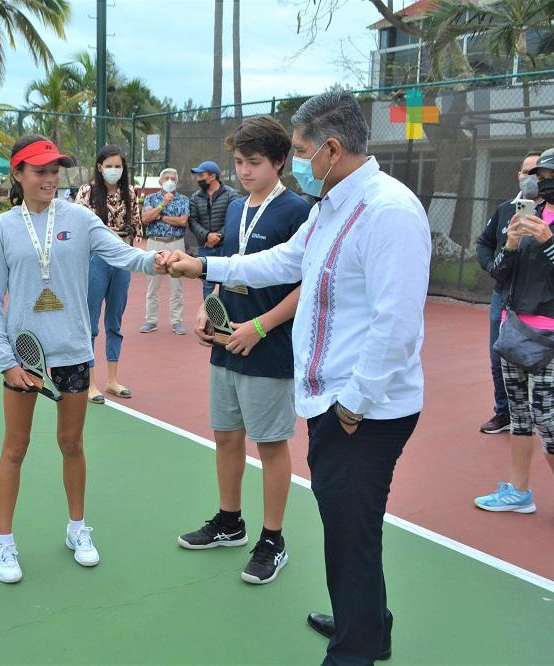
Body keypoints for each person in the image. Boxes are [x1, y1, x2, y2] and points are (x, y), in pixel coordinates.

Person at [166, 91, 431, 665]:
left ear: (333, 150)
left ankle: (354, 649)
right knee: (348, 527)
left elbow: (398, 325)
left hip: (365, 411)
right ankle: (367, 622)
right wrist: (205, 266)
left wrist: (354, 405)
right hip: (334, 401)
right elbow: (283, 262)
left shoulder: (390, 211)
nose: (302, 161)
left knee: (349, 532)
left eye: (306, 150)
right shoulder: (332, 206)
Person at [0, 134, 167, 584]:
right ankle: (3, 542)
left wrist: (158, 260)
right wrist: (6, 359)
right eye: (39, 171)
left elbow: (123, 255)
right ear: (18, 174)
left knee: (72, 444)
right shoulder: (1, 228)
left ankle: (77, 529)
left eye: (54, 170)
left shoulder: (80, 218)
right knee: (15, 447)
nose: (49, 178)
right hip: (24, 360)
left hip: (72, 353)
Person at [177, 116, 310, 587]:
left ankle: (273, 539)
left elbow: (306, 284)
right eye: (238, 162)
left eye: (254, 162)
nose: (245, 171)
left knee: (271, 444)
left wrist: (261, 325)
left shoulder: (298, 211)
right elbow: (225, 267)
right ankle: (230, 521)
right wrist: (205, 307)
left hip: (269, 345)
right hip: (225, 342)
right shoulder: (233, 208)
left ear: (279, 161)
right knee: (227, 436)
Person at [474, 147, 554, 537]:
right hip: (513, 325)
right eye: (541, 174)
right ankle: (519, 491)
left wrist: (549, 240)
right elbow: (501, 275)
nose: (546, 180)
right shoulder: (520, 214)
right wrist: (513, 245)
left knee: (546, 415)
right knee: (519, 416)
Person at [475, 152, 542, 434]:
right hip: (503, 295)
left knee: (533, 358)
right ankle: (504, 413)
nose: (531, 178)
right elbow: (484, 242)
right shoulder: (505, 209)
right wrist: (492, 265)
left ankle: (533, 413)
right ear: (519, 175)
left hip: (536, 299)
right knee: (497, 356)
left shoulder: (553, 213)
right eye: (526, 172)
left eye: (537, 173)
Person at [75, 145, 142, 403]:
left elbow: (136, 226)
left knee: (115, 320)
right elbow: (80, 226)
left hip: (123, 260)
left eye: (118, 166)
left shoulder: (130, 193)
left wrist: (130, 256)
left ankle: (112, 380)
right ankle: (90, 383)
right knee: (90, 321)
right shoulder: (87, 191)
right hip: (96, 259)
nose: (114, 170)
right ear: (99, 167)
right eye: (109, 165)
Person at [140, 168, 190, 335]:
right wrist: (163, 204)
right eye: (166, 178)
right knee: (152, 284)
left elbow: (183, 221)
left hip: (176, 244)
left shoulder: (183, 199)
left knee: (176, 285)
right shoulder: (151, 198)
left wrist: (160, 216)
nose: (170, 181)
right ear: (160, 181)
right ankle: (151, 320)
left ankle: (177, 321)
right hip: (155, 243)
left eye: (173, 178)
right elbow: (146, 218)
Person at [188, 160, 239, 299]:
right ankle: (209, 317)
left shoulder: (231, 194)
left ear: (213, 176)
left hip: (225, 247)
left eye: (201, 175)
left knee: (227, 283)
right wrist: (207, 236)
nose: (198, 179)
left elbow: (235, 218)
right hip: (205, 247)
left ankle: (226, 319)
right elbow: (192, 221)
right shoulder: (195, 197)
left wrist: (219, 236)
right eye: (197, 175)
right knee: (208, 285)